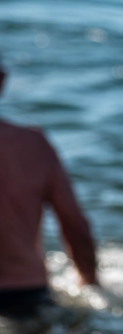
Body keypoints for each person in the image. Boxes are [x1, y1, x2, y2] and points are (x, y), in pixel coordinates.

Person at [0, 54, 98, 319]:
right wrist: (90, 284)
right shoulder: (33, 145)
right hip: (23, 290)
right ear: (1, 80)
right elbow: (76, 226)